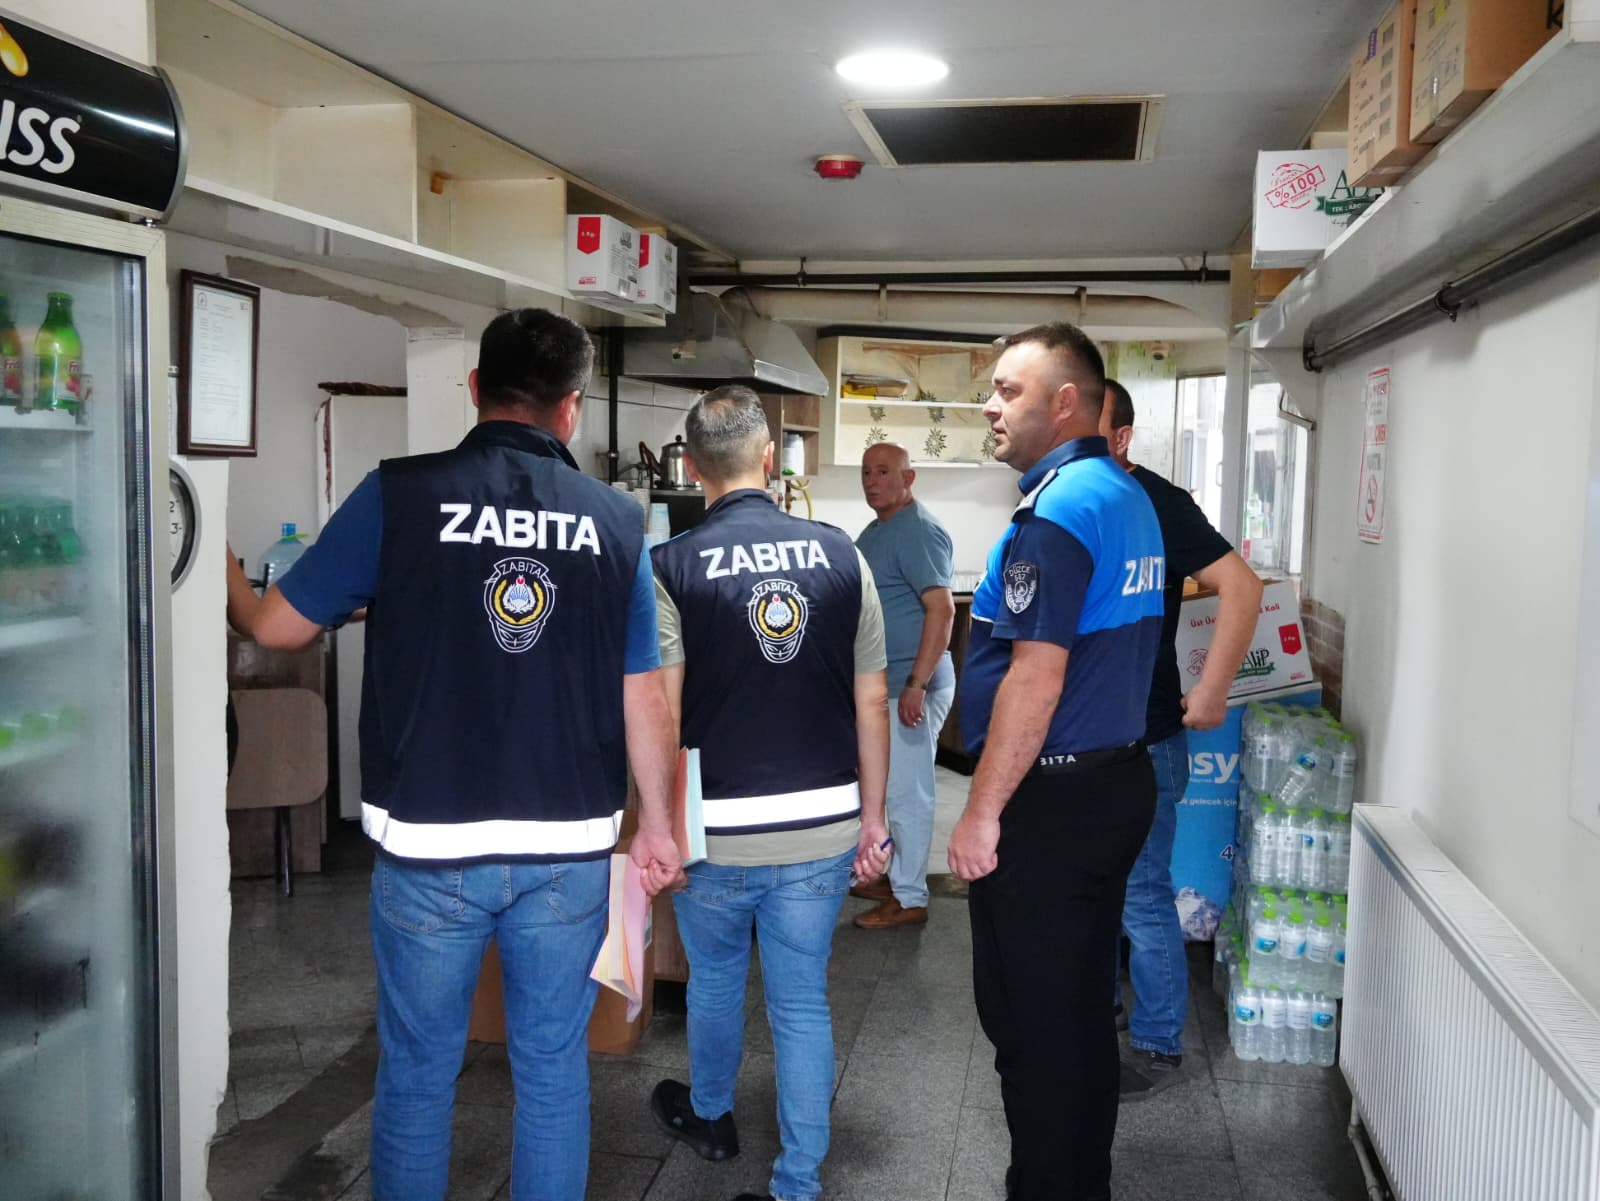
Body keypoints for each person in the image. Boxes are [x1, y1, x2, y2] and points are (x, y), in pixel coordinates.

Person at [226, 308, 683, 1201]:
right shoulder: (617, 521)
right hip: (567, 848)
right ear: (571, 408)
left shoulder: (396, 495)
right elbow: (645, 692)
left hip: (430, 843)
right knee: (552, 1069)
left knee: (417, 1073)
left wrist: (220, 571)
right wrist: (658, 826)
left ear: (475, 388)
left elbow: (277, 628)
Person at [646, 385, 891, 1201]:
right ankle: (797, 1182)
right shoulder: (841, 553)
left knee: (715, 980)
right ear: (766, 457)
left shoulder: (670, 566)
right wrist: (876, 820)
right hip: (822, 825)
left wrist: (657, 827)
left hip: (714, 827)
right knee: (801, 1002)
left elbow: (664, 712)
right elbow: (871, 700)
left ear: (692, 468)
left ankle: (712, 1116)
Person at [947, 323, 1165, 1201]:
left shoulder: (1058, 513)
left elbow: (1036, 679)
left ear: (1065, 401)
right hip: (1112, 783)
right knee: (1077, 1014)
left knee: (1030, 1024)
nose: (989, 406)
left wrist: (980, 812)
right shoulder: (1122, 493)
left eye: (1008, 390)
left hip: (1053, 803)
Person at [1100, 379, 1263, 1099]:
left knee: (1141, 892)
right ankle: (1104, 1009)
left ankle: (1159, 1043)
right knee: (1100, 887)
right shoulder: (1070, 497)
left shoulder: (1159, 502)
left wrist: (1214, 687)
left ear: (1123, 437)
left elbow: (1242, 586)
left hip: (1148, 735)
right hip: (1088, 741)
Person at [851, 442, 956, 929]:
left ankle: (911, 897)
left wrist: (917, 682)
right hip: (884, 684)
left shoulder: (919, 531)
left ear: (908, 478)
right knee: (884, 791)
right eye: (866, 472)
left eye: (883, 472)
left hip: (911, 686)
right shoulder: (877, 530)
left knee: (907, 795)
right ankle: (891, 876)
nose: (872, 481)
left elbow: (943, 610)